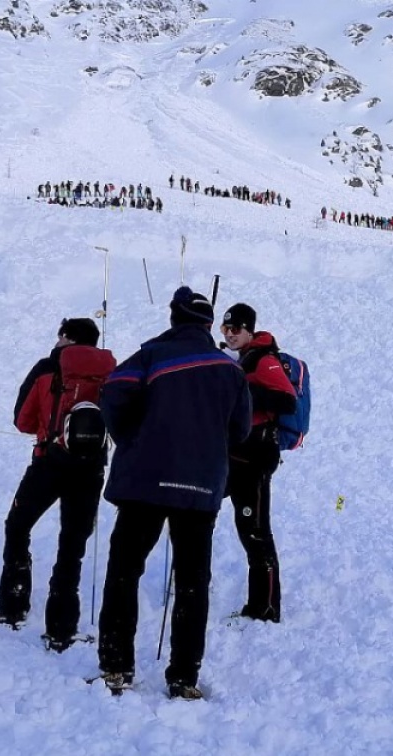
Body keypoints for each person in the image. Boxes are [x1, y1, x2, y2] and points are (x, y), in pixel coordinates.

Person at [94, 287, 251, 700]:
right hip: (200, 486)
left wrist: (131, 438)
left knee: (124, 572)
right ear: (208, 324)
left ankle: (116, 667)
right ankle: (183, 676)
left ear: (174, 319)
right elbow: (240, 431)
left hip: (143, 482)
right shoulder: (231, 370)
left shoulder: (151, 356)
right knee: (193, 582)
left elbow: (112, 394)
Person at [0, 318, 117, 651]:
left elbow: (23, 420)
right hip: (91, 469)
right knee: (72, 544)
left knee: (18, 525)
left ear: (66, 338)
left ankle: (13, 603)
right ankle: (61, 628)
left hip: (49, 462)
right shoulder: (110, 371)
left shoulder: (48, 368)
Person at [219, 303, 297, 623]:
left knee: (255, 532)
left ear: (249, 330)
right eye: (225, 328)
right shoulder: (242, 358)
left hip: (256, 458)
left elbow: (287, 400)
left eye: (236, 328)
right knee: (220, 519)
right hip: (235, 454)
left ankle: (265, 608)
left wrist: (245, 389)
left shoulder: (264, 360)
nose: (230, 334)